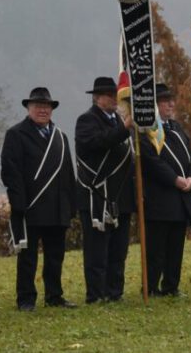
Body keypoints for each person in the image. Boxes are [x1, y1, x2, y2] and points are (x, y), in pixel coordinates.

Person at [1, 87, 77, 311]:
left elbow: (67, 173)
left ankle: (54, 295)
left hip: (57, 208)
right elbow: (11, 171)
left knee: (55, 257)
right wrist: (19, 203)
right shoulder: (16, 134)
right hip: (31, 207)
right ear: (29, 108)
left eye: (47, 106)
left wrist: (71, 205)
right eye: (38, 106)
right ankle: (26, 299)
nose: (43, 110)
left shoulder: (60, 137)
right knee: (28, 258)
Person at [74, 76, 135, 303]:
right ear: (98, 98)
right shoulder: (87, 120)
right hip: (96, 195)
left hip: (120, 196)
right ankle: (96, 294)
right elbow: (96, 143)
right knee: (97, 250)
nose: (114, 100)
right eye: (110, 96)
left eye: (115, 96)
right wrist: (125, 127)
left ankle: (114, 291)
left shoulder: (116, 121)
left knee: (119, 250)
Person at [143, 84, 191, 296]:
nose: (171, 104)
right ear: (155, 105)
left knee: (176, 247)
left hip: (181, 197)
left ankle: (171, 285)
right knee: (156, 248)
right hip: (159, 197)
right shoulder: (147, 130)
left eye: (171, 100)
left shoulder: (176, 128)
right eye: (165, 100)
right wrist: (175, 179)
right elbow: (151, 160)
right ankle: (150, 287)